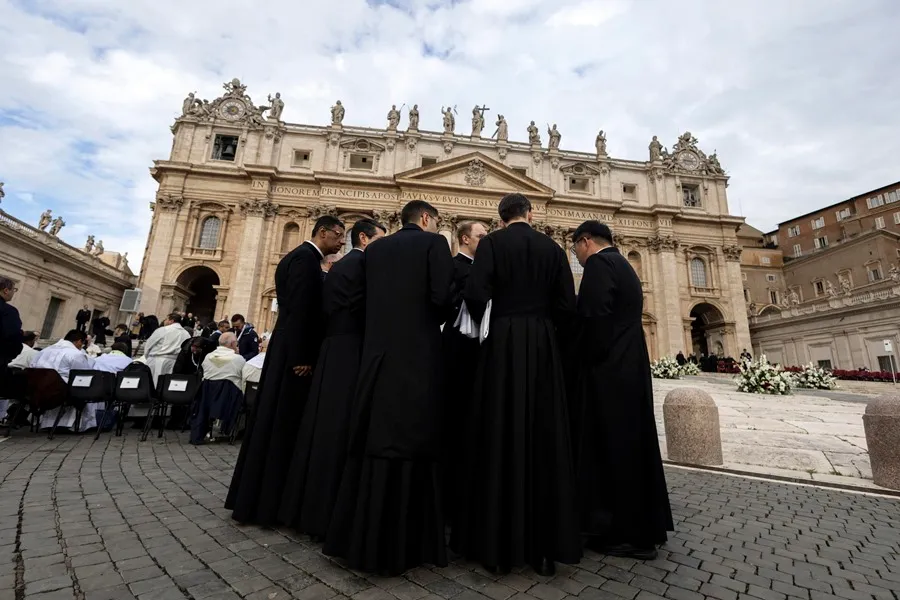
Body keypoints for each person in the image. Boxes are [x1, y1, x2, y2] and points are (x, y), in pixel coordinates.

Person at [452, 193, 580, 576]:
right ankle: (544, 550)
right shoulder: (552, 247)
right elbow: (566, 305)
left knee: (499, 432)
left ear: (501, 217)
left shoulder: (491, 243)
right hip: (542, 343)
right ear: (531, 213)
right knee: (544, 436)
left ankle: (496, 548)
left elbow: (475, 294)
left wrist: (488, 322)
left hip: (504, 342)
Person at [324, 200, 453, 575]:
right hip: (417, 356)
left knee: (374, 438)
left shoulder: (375, 250)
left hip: (377, 356)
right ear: (427, 218)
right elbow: (442, 298)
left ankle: (361, 533)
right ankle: (409, 540)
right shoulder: (434, 245)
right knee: (413, 439)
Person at [226, 215, 345, 525]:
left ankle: (260, 497)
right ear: (322, 232)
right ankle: (271, 502)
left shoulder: (298, 258)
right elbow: (303, 312)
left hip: (285, 348)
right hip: (295, 353)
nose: (341, 241)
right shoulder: (307, 261)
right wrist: (304, 356)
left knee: (273, 420)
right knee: (283, 421)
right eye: (338, 235)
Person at [568, 220, 672, 560]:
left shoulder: (600, 265)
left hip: (608, 371)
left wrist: (572, 357)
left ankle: (625, 533)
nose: (577, 259)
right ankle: (640, 529)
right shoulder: (623, 264)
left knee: (612, 448)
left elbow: (593, 319)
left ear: (585, 242)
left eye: (575, 251)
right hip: (629, 366)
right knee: (631, 448)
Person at [280, 218, 386, 540]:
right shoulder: (364, 266)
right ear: (365, 239)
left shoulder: (338, 266)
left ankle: (306, 506)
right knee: (341, 430)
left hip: (331, 351)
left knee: (321, 429)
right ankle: (330, 510)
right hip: (350, 353)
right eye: (381, 240)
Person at [440, 220, 487, 525]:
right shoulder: (457, 268)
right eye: (482, 236)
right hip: (461, 350)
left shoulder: (471, 268)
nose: (487, 240)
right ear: (465, 238)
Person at [33, 330, 97, 430]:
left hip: (38, 389)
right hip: (61, 392)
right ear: (79, 341)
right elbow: (83, 374)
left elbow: (32, 367)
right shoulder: (76, 354)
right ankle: (77, 424)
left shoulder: (44, 351)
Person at [143, 313, 191, 384]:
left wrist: (147, 357)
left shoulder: (162, 330)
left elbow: (149, 345)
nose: (164, 321)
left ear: (171, 321)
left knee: (153, 383)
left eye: (166, 319)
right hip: (175, 362)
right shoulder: (186, 334)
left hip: (157, 360)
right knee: (167, 384)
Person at [0, 275, 23, 370]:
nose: (14, 292)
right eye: (14, 289)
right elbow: (14, 338)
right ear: (6, 290)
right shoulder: (9, 311)